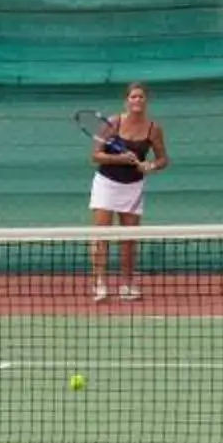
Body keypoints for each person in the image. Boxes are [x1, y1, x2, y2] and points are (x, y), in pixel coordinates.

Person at [88, 82, 170, 302]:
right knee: (101, 235)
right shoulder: (113, 123)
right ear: (127, 100)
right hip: (106, 183)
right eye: (133, 97)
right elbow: (96, 155)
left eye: (141, 97)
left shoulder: (154, 129)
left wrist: (150, 166)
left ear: (146, 101)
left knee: (129, 239)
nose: (137, 101)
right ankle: (99, 284)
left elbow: (163, 159)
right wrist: (120, 158)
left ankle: (127, 284)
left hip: (133, 187)